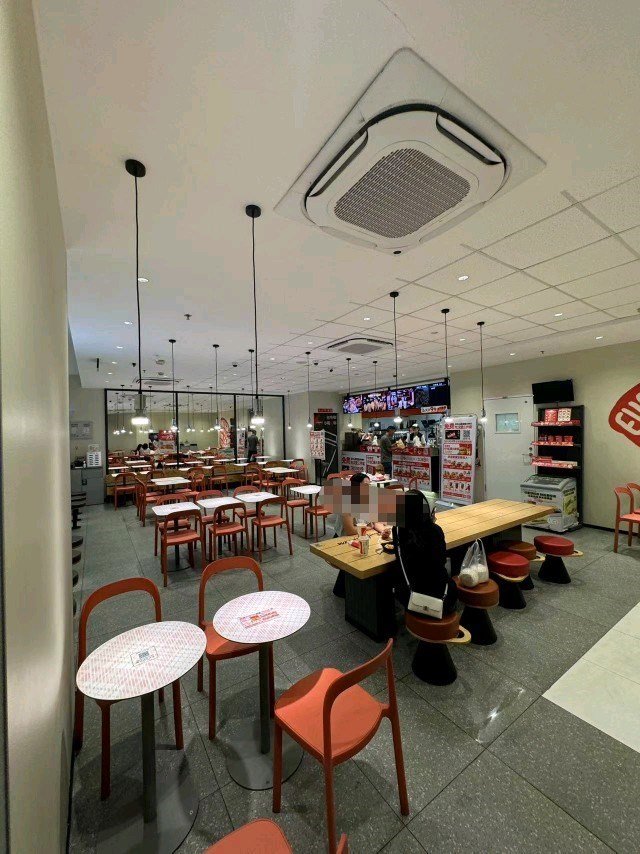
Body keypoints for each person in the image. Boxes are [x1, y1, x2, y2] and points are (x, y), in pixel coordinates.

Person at [392, 490, 456, 615]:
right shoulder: (435, 530)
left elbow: (400, 558)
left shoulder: (398, 530)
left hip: (411, 600)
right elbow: (442, 560)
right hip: (442, 600)